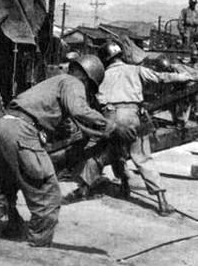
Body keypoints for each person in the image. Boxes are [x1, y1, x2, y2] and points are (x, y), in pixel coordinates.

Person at [0, 55, 115, 258]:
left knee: (0, 189)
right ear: (87, 79)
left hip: (3, 126)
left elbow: (63, 125)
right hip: (21, 131)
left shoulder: (54, 82)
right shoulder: (73, 82)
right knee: (47, 198)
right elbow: (80, 110)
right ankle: (37, 257)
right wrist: (109, 125)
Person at [67, 41, 196, 216]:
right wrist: (187, 77)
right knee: (142, 157)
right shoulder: (135, 70)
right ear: (121, 55)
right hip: (131, 116)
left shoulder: (101, 76)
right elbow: (161, 78)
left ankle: (86, 188)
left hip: (109, 118)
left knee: (103, 153)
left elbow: (92, 101)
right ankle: (162, 202)